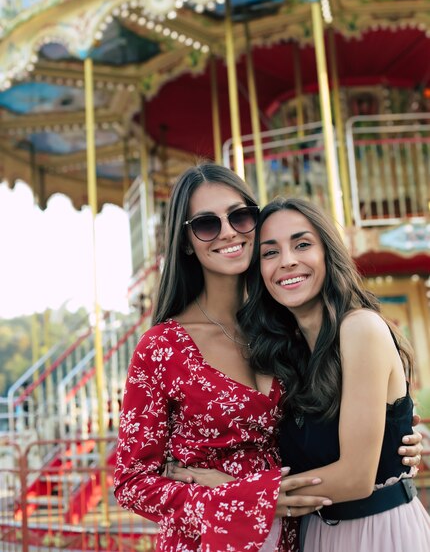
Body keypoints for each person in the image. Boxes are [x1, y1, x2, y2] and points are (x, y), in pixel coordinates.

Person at [114, 164, 423, 552]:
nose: (228, 232)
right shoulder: (161, 348)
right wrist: (241, 500)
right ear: (187, 241)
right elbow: (132, 483)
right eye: (207, 224)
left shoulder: (284, 330)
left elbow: (338, 431)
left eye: (240, 217)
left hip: (301, 538)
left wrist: (400, 436)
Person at [239, 197, 430, 551]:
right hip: (318, 533)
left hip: (377, 533)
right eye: (270, 252)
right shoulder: (290, 354)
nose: (287, 261)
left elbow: (356, 478)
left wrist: (232, 495)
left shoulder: (360, 329)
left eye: (302, 244)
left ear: (328, 252)